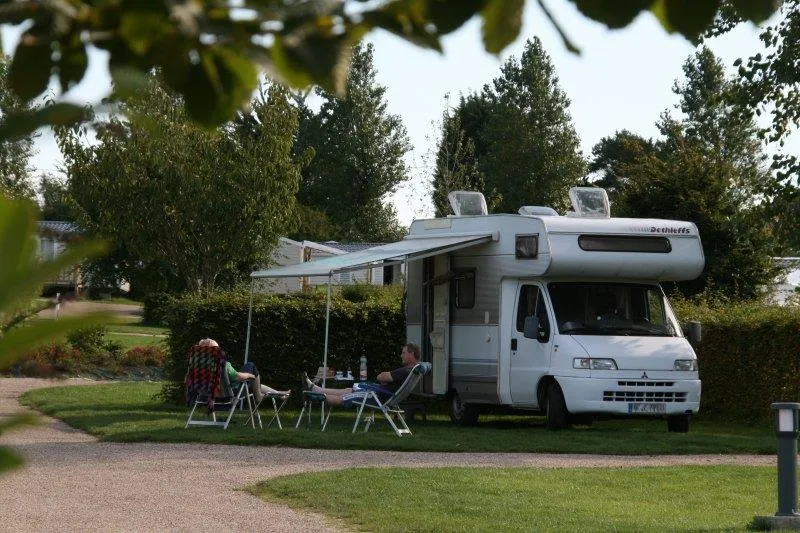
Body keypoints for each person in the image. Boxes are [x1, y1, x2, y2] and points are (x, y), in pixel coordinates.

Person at [303, 343, 420, 406]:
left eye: (403, 353)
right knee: (349, 390)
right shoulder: (413, 370)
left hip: (377, 396)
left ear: (411, 354)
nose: (401, 355)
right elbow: (387, 379)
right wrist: (386, 379)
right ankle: (316, 389)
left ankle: (313, 396)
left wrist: (384, 377)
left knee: (343, 398)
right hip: (380, 393)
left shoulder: (405, 371)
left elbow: (382, 377)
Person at [197, 338, 290, 401]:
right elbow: (238, 377)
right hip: (228, 395)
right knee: (251, 366)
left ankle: (279, 394)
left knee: (254, 384)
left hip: (207, 397)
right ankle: (259, 397)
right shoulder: (223, 364)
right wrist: (250, 375)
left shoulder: (196, 366)